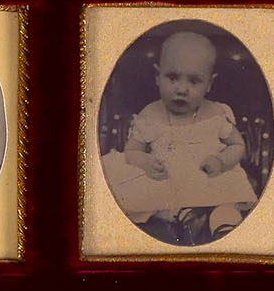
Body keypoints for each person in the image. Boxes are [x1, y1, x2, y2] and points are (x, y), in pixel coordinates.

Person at [104, 28, 258, 245]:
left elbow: (237, 145)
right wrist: (145, 162)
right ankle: (181, 215)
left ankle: (223, 224)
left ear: (209, 84)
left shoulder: (215, 113)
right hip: (168, 179)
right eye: (173, 77)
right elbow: (132, 150)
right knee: (149, 194)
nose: (181, 89)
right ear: (157, 76)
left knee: (226, 202)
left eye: (194, 81)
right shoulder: (150, 114)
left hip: (209, 177)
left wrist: (221, 161)